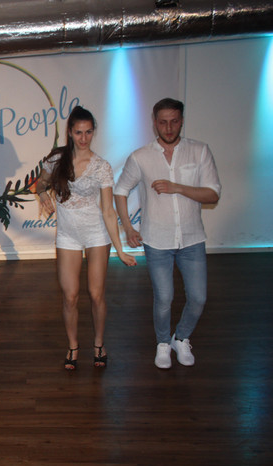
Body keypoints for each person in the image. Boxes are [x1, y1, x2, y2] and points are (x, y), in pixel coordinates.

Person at [115, 98, 221, 369]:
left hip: (192, 238)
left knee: (198, 298)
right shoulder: (140, 156)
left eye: (174, 121)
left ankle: (181, 338)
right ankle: (163, 342)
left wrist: (177, 187)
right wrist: (127, 226)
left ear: (182, 120)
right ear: (154, 123)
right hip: (157, 240)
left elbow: (213, 193)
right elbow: (120, 190)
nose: (169, 127)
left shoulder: (199, 151)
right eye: (163, 122)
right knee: (163, 298)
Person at [35, 106, 137, 370]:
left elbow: (108, 211)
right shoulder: (57, 160)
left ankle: (99, 343)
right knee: (69, 296)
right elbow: (40, 184)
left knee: (96, 294)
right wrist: (43, 194)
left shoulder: (102, 166)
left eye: (88, 132)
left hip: (96, 234)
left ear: (94, 132)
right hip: (67, 235)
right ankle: (73, 345)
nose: (83, 138)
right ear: (70, 132)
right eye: (78, 132)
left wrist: (120, 250)